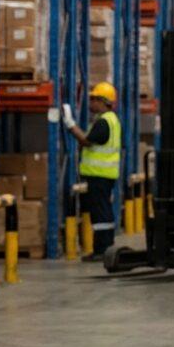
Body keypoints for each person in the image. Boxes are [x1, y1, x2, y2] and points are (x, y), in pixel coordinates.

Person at [62, 82, 121, 261]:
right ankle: (105, 248)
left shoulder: (104, 122)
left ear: (103, 101)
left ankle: (102, 250)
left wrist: (70, 124)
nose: (91, 103)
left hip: (99, 175)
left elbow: (87, 141)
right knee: (103, 211)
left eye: (94, 99)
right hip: (104, 174)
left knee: (100, 213)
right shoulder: (109, 120)